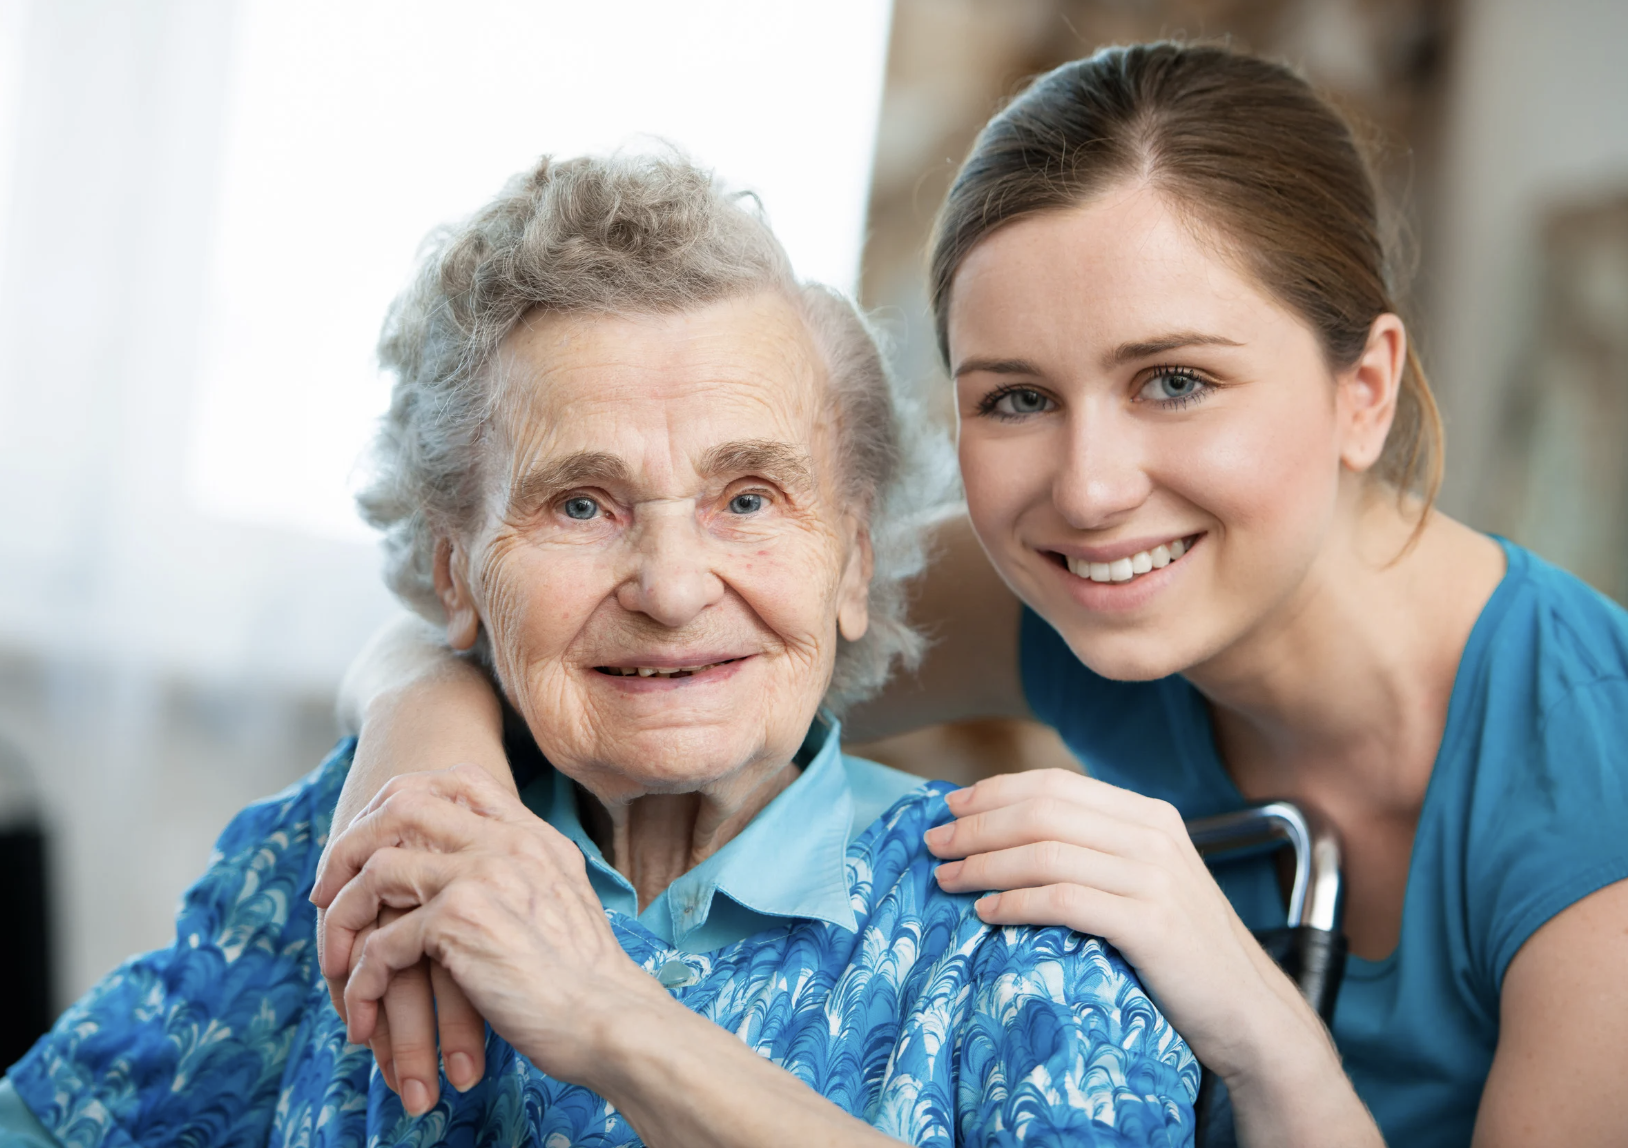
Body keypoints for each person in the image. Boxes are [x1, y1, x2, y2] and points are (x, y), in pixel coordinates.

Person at [314, 43, 1628, 1148]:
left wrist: (1257, 1026)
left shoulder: (1586, 783)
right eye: (1017, 397)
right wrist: (425, 778)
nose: (1093, 486)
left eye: (1176, 380)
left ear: (1366, 389)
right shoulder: (1057, 587)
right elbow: (574, 617)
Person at [0, 154, 1198, 1147]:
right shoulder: (357, 849)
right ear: (453, 573)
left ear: (851, 563)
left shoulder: (1020, 929)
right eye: (580, 503)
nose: (673, 588)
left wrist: (610, 1016)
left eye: (746, 498)